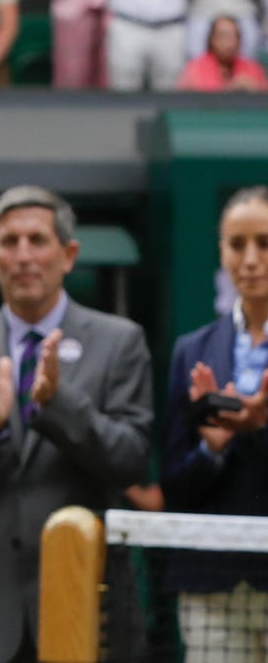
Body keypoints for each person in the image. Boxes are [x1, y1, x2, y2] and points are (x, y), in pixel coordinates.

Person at [0, 186, 154, 663]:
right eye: (10, 242)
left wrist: (58, 403)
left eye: (38, 240)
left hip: (83, 600)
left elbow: (129, 463)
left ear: (68, 255)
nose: (23, 255)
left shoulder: (119, 341)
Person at [161, 187, 268, 656]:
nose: (250, 259)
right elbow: (174, 482)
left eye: (265, 243)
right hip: (211, 584)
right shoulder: (192, 350)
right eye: (236, 244)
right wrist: (214, 448)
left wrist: (260, 430)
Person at [178, 15, 268, 91]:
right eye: (223, 36)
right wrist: (229, 89)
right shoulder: (194, 69)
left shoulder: (253, 70)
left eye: (234, 36)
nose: (229, 43)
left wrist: (255, 89)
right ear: (211, 39)